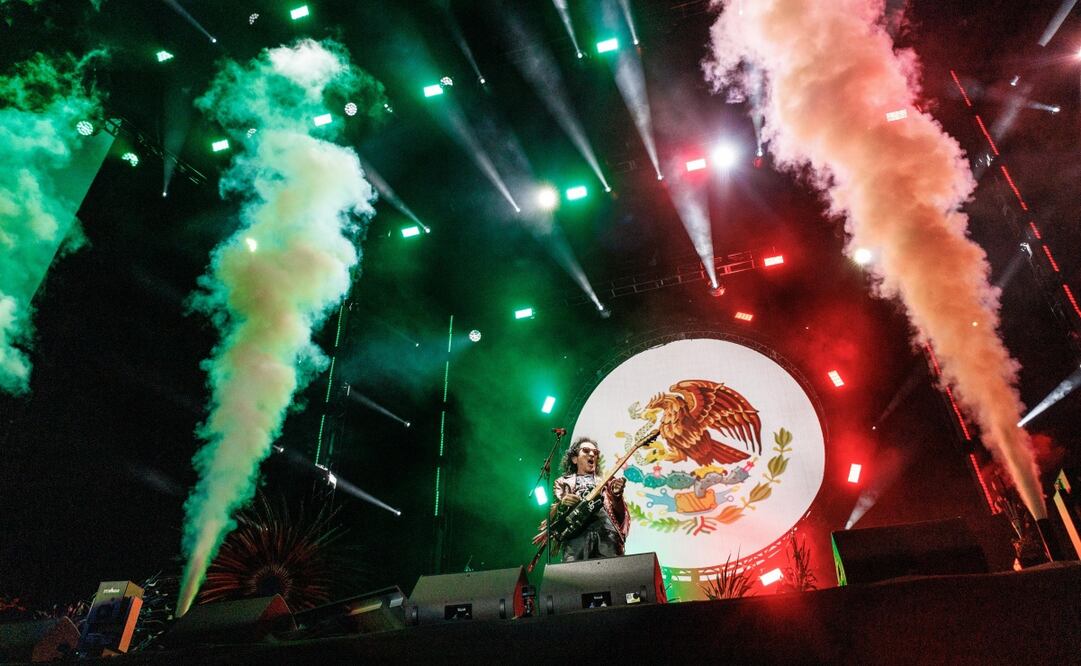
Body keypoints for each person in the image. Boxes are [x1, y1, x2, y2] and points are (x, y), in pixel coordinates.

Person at [535, 437, 630, 561]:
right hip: (577, 536)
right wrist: (562, 504)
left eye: (595, 452)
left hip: (606, 534)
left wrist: (616, 495)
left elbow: (620, 511)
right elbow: (556, 514)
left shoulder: (607, 481)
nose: (592, 454)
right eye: (586, 450)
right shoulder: (562, 482)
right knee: (575, 571)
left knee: (610, 570)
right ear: (574, 459)